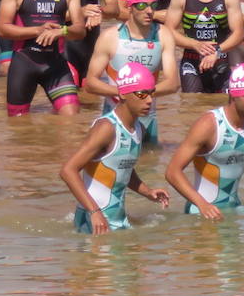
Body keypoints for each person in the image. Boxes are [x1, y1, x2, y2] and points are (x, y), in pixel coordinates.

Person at [59, 62, 171, 234]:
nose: (149, 100)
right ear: (123, 94)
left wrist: (147, 191)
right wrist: (94, 212)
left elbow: (122, 168)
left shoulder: (138, 128)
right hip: (94, 224)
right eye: (141, 94)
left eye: (151, 93)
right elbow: (68, 170)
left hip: (116, 220)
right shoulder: (106, 128)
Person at [164, 63, 244, 218]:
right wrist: (202, 205)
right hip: (201, 213)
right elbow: (172, 172)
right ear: (235, 95)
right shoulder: (209, 125)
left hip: (234, 208)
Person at [0, 0, 84, 117]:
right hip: (24, 63)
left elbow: (80, 30)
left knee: (72, 119)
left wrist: (62, 31)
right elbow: (2, 29)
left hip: (55, 64)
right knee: (19, 128)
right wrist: (37, 30)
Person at [85, 0, 180, 145]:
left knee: (149, 166)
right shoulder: (110, 37)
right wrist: (122, 93)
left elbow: (173, 83)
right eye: (142, 5)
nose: (149, 11)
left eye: (153, 5)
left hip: (147, 120)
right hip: (113, 118)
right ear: (130, 8)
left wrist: (140, 96)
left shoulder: (163, 36)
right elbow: (91, 83)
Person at [167, 0, 244, 93]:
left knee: (225, 103)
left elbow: (238, 33)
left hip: (220, 58)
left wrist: (217, 51)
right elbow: (168, 31)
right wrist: (194, 44)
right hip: (191, 60)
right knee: (192, 105)